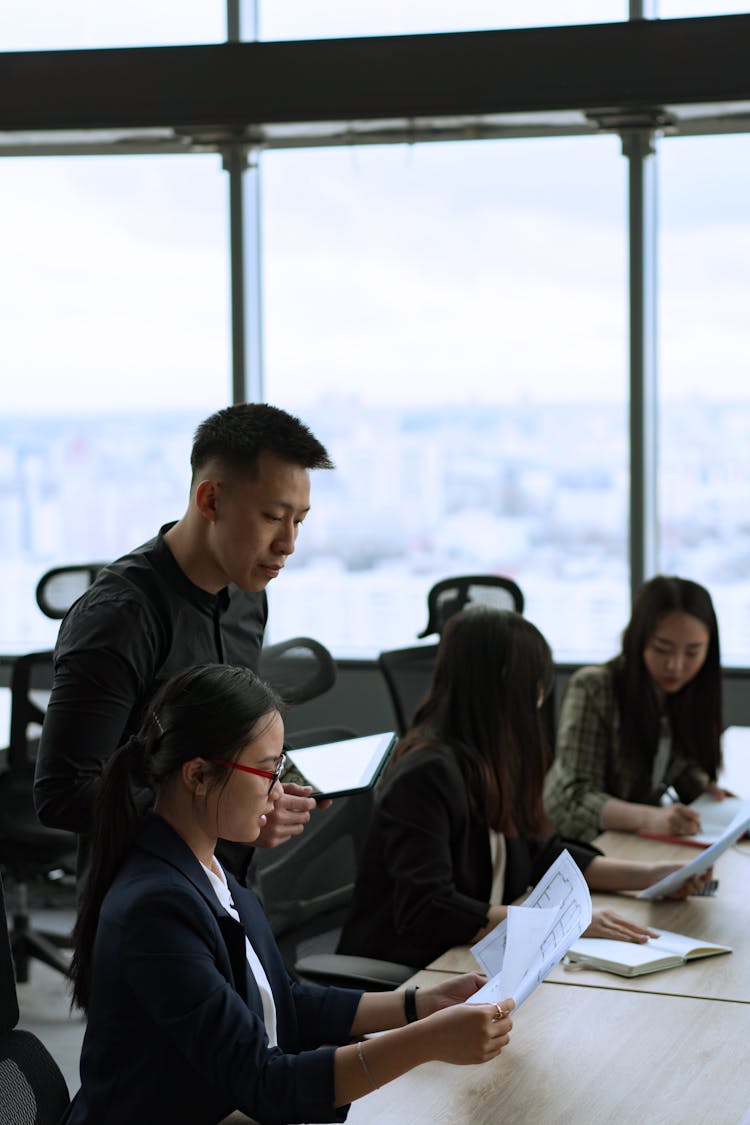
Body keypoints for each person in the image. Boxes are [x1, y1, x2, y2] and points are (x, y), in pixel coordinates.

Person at [62, 664, 515, 1125]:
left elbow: (285, 1000)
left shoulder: (209, 869)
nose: (278, 791)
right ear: (198, 776)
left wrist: (418, 1006)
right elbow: (266, 1083)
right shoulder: (156, 909)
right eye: (267, 771)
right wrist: (426, 1041)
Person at [34, 402, 333, 882]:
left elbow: (222, 745)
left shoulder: (248, 596)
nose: (289, 544)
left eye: (300, 520)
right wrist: (228, 811)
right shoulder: (120, 617)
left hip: (227, 885)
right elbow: (63, 794)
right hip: (147, 896)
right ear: (210, 501)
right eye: (274, 517)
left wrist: (268, 791)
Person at [338, 607, 711, 969]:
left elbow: (539, 851)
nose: (539, 698)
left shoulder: (492, 758)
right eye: (534, 683)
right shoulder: (426, 775)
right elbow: (429, 909)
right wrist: (560, 921)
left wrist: (651, 876)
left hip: (476, 961)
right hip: (414, 974)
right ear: (502, 681)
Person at [544, 575, 727, 843]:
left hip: (635, 841)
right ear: (638, 639)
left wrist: (702, 789)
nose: (675, 666)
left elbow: (671, 762)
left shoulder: (686, 693)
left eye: (692, 653)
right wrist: (650, 818)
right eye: (662, 649)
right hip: (581, 844)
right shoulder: (595, 687)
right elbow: (576, 796)